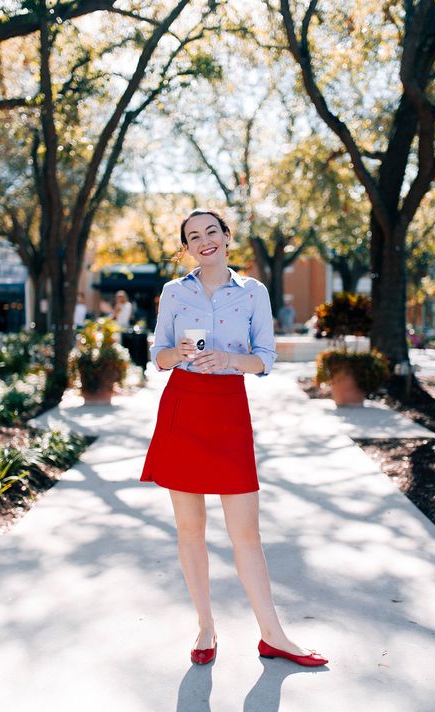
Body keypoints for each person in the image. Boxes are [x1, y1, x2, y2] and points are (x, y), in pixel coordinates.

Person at [140, 209, 328, 668]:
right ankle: (205, 625)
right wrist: (176, 352)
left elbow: (266, 358)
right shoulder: (172, 292)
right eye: (192, 236)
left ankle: (273, 635)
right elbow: (157, 356)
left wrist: (227, 358)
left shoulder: (253, 292)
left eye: (211, 232)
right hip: (183, 407)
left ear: (226, 237)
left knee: (246, 532)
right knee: (190, 531)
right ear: (185, 247)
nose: (203, 241)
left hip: (228, 409)